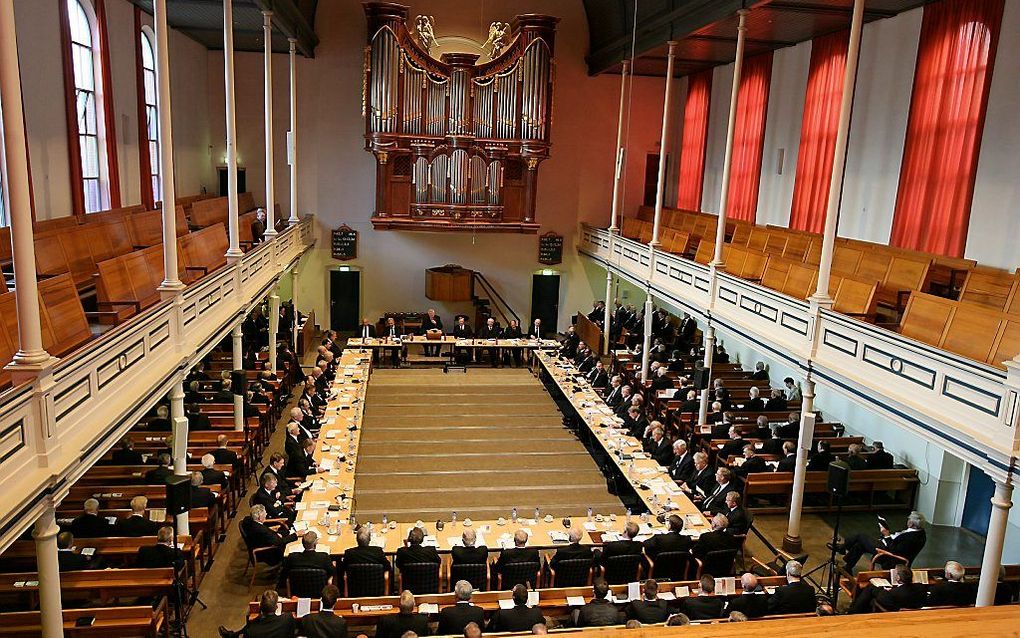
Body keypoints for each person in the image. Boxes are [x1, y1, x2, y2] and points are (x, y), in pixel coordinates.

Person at [837, 511, 927, 572]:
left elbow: (894, 550)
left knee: (861, 536)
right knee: (860, 544)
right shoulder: (919, 532)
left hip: (890, 556)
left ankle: (843, 547)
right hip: (888, 546)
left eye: (908, 520)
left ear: (911, 523)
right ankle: (848, 567)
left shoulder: (912, 538)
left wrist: (887, 535)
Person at [849, 564, 929, 613]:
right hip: (913, 610)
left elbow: (882, 598)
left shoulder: (893, 594)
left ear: (898, 577)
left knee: (870, 589)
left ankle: (852, 612)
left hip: (894, 610)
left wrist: (885, 590)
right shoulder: (920, 587)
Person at [219, 589, 297, 638]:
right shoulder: (288, 618)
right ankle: (231, 635)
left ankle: (231, 636)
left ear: (260, 605)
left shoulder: (251, 632)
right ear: (276, 607)